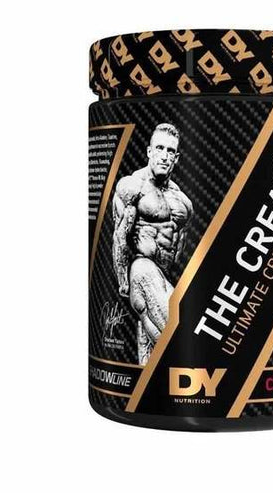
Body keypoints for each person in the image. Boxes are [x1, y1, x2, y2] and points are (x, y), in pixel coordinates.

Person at [112, 123, 193, 364]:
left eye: (170, 151)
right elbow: (120, 236)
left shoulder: (182, 201)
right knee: (178, 332)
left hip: (163, 276)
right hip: (141, 269)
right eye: (159, 148)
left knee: (151, 359)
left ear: (176, 158)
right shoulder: (132, 187)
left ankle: (146, 385)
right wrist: (124, 282)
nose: (164, 156)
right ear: (149, 151)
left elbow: (180, 244)